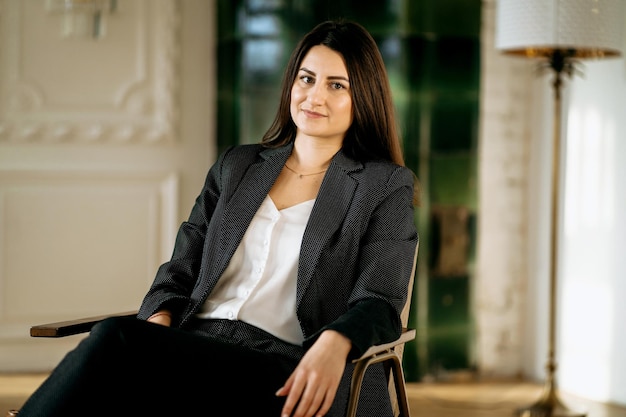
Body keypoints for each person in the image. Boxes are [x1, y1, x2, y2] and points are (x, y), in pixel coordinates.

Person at [17, 19, 419, 417]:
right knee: (121, 357)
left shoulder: (382, 186)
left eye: (337, 85)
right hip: (197, 346)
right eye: (306, 78)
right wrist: (155, 335)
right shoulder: (238, 165)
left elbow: (380, 301)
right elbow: (179, 270)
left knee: (113, 338)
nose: (314, 96)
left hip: (288, 367)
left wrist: (335, 341)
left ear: (362, 97)